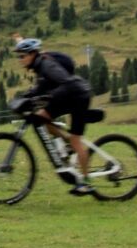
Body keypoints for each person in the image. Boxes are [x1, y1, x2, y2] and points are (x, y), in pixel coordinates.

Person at [13, 38, 94, 195]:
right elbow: (40, 87)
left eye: (22, 56)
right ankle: (66, 141)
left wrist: (51, 97)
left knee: (76, 139)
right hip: (67, 96)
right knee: (41, 118)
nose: (20, 60)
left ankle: (85, 183)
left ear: (32, 54)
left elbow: (67, 83)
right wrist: (25, 97)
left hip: (79, 97)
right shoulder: (39, 66)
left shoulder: (47, 65)